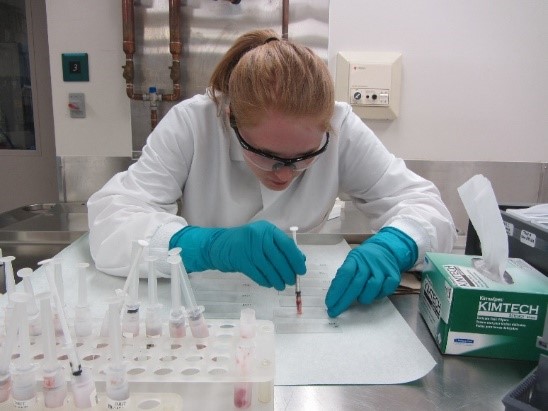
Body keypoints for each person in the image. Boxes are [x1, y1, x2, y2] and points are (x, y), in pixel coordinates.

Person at [87, 29, 456, 318]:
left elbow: (424, 206)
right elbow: (112, 221)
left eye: (305, 157)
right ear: (231, 119)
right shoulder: (194, 123)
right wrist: (207, 246)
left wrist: (395, 246)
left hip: (301, 303)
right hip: (203, 306)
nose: (285, 174)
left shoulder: (342, 126)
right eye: (265, 155)